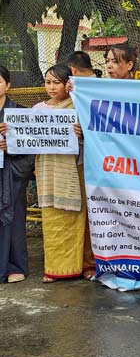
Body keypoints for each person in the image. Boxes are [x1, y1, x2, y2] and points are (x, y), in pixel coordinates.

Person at [35, 64, 95, 282]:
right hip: (48, 173)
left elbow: (96, 138)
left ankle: (87, 264)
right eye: (48, 82)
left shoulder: (78, 106)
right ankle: (55, 269)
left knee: (80, 219)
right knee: (53, 220)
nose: (51, 87)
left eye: (57, 83)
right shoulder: (37, 110)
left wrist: (83, 134)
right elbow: (26, 139)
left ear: (67, 85)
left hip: (75, 171)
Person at [0, 66, 34, 283]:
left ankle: (14, 266)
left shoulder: (19, 113)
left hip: (11, 172)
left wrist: (10, 145)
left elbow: (31, 146)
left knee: (14, 218)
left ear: (8, 85)